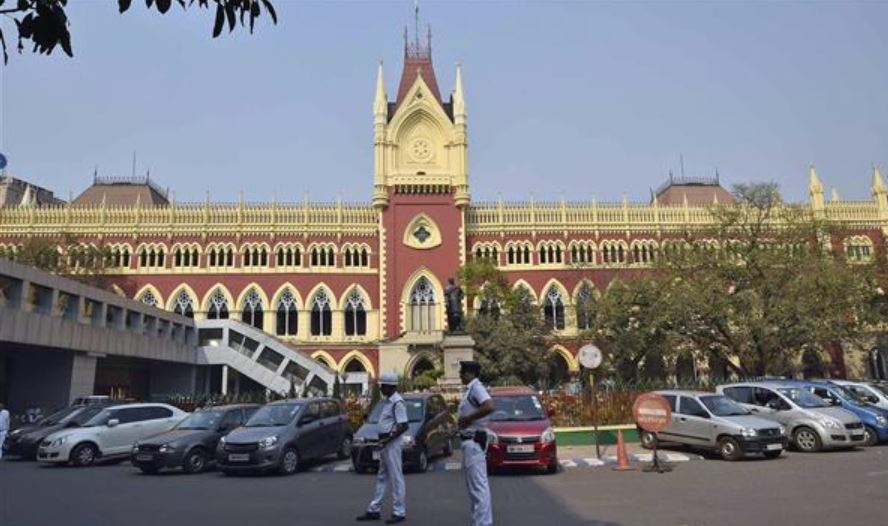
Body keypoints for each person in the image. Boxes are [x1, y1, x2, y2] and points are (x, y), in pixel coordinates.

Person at [357, 372, 409, 524]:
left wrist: (387, 439)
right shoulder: (388, 402)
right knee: (382, 477)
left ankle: (399, 512)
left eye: (382, 386)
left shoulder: (397, 402)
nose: (380, 388)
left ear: (389, 386)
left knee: (396, 478)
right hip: (385, 443)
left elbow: (404, 425)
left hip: (391, 443)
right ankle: (374, 509)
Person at [457, 361, 496, 526]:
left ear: (469, 373)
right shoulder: (470, 389)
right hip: (469, 441)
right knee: (474, 488)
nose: (459, 375)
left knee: (479, 487)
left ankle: (483, 523)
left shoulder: (476, 388)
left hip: (473, 442)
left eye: (462, 372)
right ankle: (478, 521)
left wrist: (468, 419)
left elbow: (489, 406)